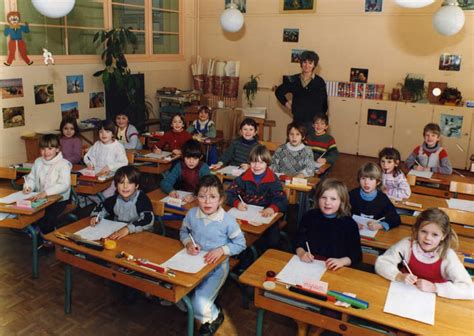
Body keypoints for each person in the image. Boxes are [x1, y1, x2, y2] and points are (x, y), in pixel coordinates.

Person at [180, 175, 246, 335]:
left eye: (212, 197)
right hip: (194, 262)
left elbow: (241, 244)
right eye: (202, 196)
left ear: (221, 199)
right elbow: (184, 232)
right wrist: (188, 243)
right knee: (176, 297)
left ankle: (215, 315)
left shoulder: (228, 220)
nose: (207, 202)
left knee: (198, 305)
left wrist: (222, 250)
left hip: (217, 268)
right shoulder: (192, 214)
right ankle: (203, 303)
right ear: (196, 198)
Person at [375, 208, 474, 300]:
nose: (428, 238)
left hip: (434, 300)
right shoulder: (407, 244)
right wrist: (398, 276)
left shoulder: (448, 256)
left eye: (435, 234)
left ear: (443, 236)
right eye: (423, 231)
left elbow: (469, 289)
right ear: (417, 230)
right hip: (403, 293)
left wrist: (435, 288)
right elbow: (382, 262)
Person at [226, 145, 288, 250]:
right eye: (254, 162)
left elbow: (282, 199)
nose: (256, 166)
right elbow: (229, 193)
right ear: (249, 162)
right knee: (232, 233)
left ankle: (265, 256)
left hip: (265, 215)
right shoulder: (243, 177)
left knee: (273, 240)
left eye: (261, 162)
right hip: (245, 214)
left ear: (267, 163)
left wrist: (272, 208)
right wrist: (237, 203)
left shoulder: (273, 179)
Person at [296, 178, 362, 270]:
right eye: (323, 197)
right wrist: (302, 253)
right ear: (317, 198)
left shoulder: (350, 224)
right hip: (309, 265)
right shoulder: (309, 216)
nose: (327, 202)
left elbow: (357, 255)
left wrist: (341, 261)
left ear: (342, 202)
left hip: (336, 269)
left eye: (333, 199)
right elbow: (298, 241)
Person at [23, 134, 72, 239]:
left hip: (59, 199)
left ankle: (47, 235)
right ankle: (37, 229)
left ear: (57, 149)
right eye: (43, 149)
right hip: (41, 198)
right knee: (30, 212)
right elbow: (31, 178)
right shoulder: (38, 162)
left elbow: (64, 185)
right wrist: (29, 186)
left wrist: (46, 192)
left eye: (50, 148)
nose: (46, 152)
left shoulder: (63, 164)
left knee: (48, 216)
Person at [90, 166, 154, 239]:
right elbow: (102, 206)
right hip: (119, 232)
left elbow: (148, 220)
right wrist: (96, 216)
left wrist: (128, 229)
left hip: (140, 233)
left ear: (137, 185)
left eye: (129, 183)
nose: (125, 186)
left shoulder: (142, 199)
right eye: (121, 183)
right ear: (116, 186)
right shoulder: (115, 199)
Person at [275, 50, 328, 132]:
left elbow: (324, 105)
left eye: (310, 63)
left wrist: (319, 124)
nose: (307, 65)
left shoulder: (320, 82)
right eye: (304, 62)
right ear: (301, 64)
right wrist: (288, 105)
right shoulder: (294, 79)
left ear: (314, 65)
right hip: (298, 122)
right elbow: (278, 92)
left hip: (313, 124)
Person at [83, 119, 128, 198]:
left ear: (113, 134)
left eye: (107, 132)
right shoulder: (97, 144)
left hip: (112, 177)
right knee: (85, 188)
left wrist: (110, 166)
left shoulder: (118, 146)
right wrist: (90, 163)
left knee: (105, 195)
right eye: (101, 132)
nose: (103, 134)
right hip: (96, 175)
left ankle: (100, 201)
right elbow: (88, 156)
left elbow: (124, 162)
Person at [349, 162, 401, 231]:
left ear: (378, 182)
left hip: (375, 235)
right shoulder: (352, 195)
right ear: (359, 179)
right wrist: (351, 222)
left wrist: (380, 225)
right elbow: (341, 213)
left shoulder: (382, 199)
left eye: (371, 179)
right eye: (363, 178)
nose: (366, 182)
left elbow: (396, 218)